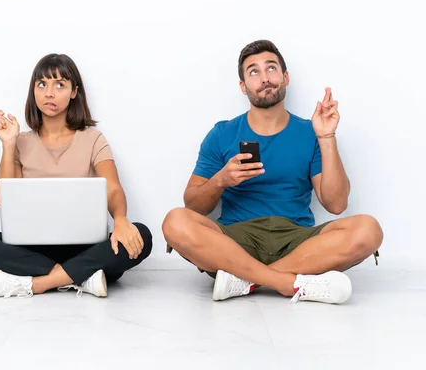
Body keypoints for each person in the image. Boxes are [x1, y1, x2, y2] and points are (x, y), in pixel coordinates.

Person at [162, 40, 383, 304]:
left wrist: (326, 136)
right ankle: (287, 282)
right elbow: (193, 206)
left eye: (271, 68)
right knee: (175, 221)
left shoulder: (310, 132)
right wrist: (221, 180)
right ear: (243, 86)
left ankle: (246, 280)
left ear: (285, 77)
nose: (265, 78)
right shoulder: (222, 134)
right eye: (254, 72)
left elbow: (336, 204)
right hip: (235, 242)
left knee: (369, 230)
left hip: (297, 240)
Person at [0, 53, 152, 298]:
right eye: (42, 84)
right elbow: (2, 201)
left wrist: (121, 219)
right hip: (32, 248)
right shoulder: (21, 142)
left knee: (141, 234)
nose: (49, 93)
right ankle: (81, 276)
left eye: (60, 84)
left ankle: (37, 283)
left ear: (74, 92)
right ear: (34, 91)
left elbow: (112, 187)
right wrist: (8, 144)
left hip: (83, 247)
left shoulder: (93, 138)